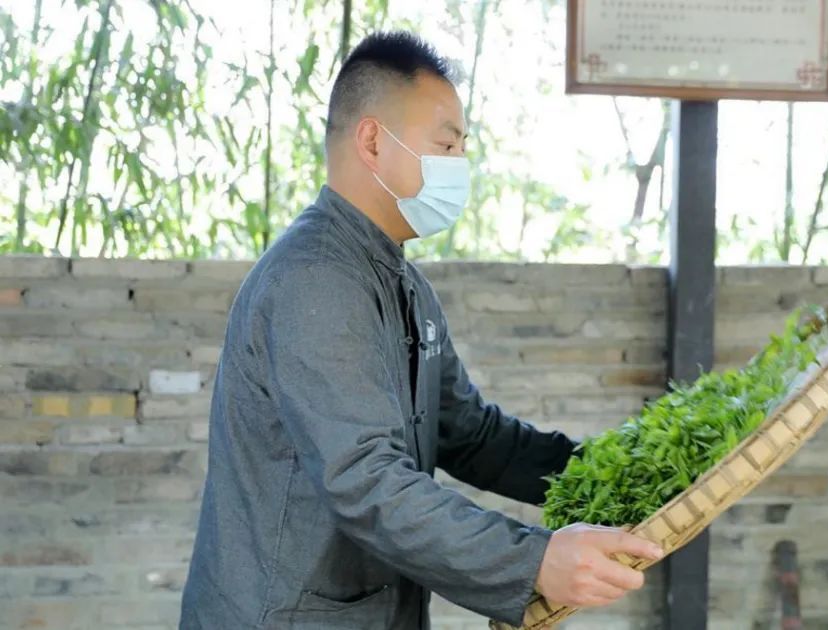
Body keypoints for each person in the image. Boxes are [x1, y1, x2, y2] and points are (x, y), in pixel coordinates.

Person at [179, 31, 663, 630]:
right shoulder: (314, 279)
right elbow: (364, 480)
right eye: (446, 145)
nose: (460, 165)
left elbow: (472, 435)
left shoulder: (403, 284)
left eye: (462, 148)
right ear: (373, 141)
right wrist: (534, 561)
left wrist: (616, 474)